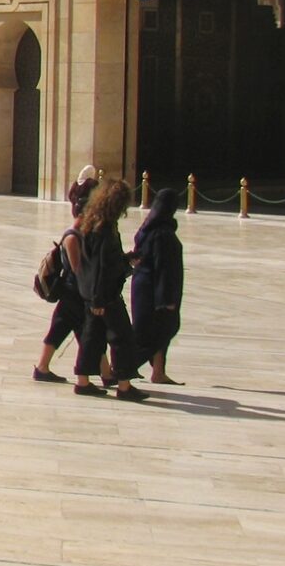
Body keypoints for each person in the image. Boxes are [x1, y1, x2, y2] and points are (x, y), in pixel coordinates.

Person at [72, 178, 145, 400]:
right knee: (122, 337)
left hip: (91, 292)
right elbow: (102, 266)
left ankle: (83, 381)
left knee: (92, 336)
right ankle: (124, 385)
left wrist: (126, 259)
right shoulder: (105, 229)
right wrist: (99, 300)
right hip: (104, 294)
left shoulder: (91, 224)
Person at [34, 167, 102, 383]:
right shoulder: (74, 234)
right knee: (87, 332)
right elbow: (77, 268)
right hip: (74, 289)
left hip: (71, 289)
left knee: (65, 327)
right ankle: (102, 372)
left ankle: (42, 367)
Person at [130, 188, 185, 385]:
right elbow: (164, 268)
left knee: (159, 332)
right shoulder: (163, 234)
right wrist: (166, 301)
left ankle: (158, 372)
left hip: (143, 288)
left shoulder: (146, 229)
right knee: (155, 333)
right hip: (155, 292)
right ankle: (123, 367)